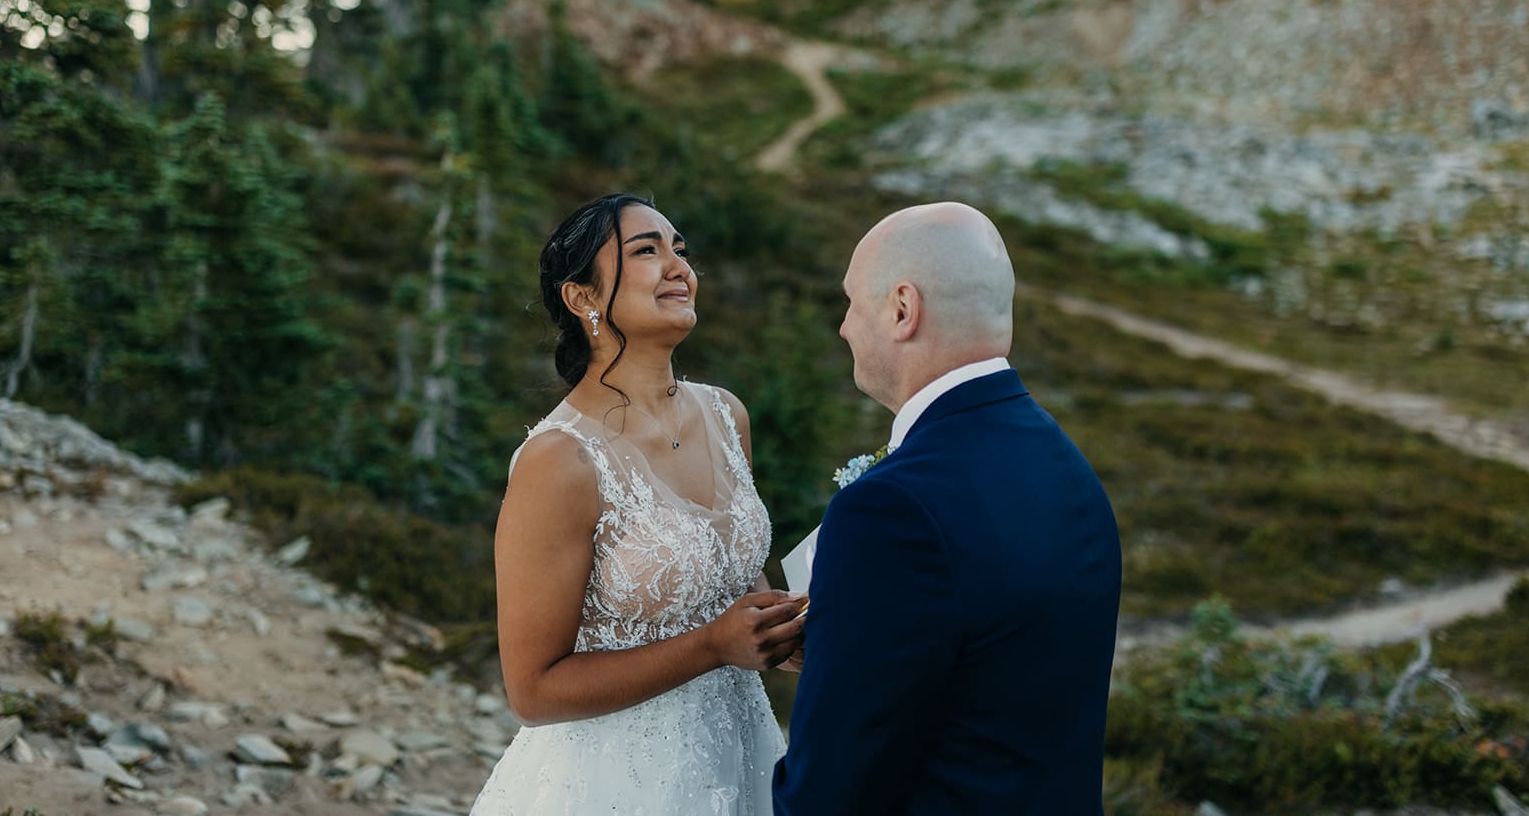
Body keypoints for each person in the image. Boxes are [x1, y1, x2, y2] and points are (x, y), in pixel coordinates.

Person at [773, 202, 1122, 814]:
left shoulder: (891, 507)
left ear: (902, 310)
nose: (844, 327)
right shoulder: (1064, 463)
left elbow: (829, 790)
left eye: (853, 302)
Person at [470, 193, 804, 815]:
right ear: (582, 298)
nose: (678, 267)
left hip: (742, 757)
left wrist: (784, 633)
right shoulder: (559, 459)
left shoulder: (727, 415)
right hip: (615, 782)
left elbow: (729, 582)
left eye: (680, 249)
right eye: (646, 251)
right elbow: (533, 690)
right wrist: (712, 645)